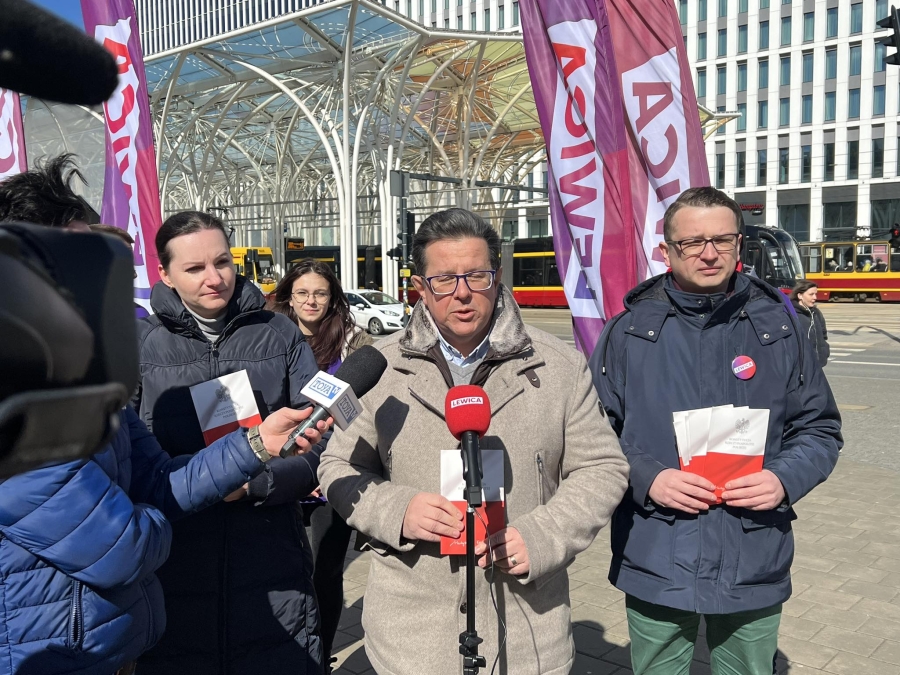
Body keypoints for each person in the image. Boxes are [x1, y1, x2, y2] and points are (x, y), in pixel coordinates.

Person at [0, 156, 326, 674]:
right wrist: (176, 520)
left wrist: (256, 449)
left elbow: (156, 477)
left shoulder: (82, 375)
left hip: (154, 619)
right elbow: (123, 547)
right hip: (57, 651)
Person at [318, 208, 630, 675]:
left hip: (527, 634)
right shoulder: (377, 369)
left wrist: (543, 536)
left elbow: (603, 467)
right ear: (420, 287)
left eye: (476, 276)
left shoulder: (559, 365)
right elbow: (336, 468)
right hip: (411, 636)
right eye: (443, 279)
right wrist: (398, 510)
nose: (461, 292)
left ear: (497, 277)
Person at [589, 187, 842, 675]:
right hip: (657, 549)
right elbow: (593, 437)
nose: (709, 253)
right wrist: (648, 477)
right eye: (693, 242)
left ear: (739, 245)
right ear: (666, 251)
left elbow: (820, 428)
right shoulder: (627, 333)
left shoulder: (781, 328)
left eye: (722, 240)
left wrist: (783, 479)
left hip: (754, 551)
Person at [134, 211, 325, 675]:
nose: (214, 278)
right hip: (177, 559)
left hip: (272, 554)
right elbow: (129, 459)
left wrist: (257, 485)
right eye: (194, 268)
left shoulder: (279, 333)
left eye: (222, 262)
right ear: (164, 273)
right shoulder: (141, 346)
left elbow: (322, 441)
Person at [272, 259, 373, 673]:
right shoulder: (268, 338)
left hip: (334, 475)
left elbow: (363, 414)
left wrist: (327, 462)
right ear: (289, 297)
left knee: (326, 572)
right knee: (281, 570)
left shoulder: (354, 344)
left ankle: (322, 656)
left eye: (320, 293)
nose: (311, 301)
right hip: (281, 471)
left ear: (332, 299)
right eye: (302, 293)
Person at [791, 280, 830, 368]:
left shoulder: (816, 313)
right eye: (811, 294)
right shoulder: (792, 314)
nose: (815, 297)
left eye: (816, 294)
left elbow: (824, 335)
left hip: (818, 364)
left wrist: (825, 351)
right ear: (800, 295)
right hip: (800, 366)